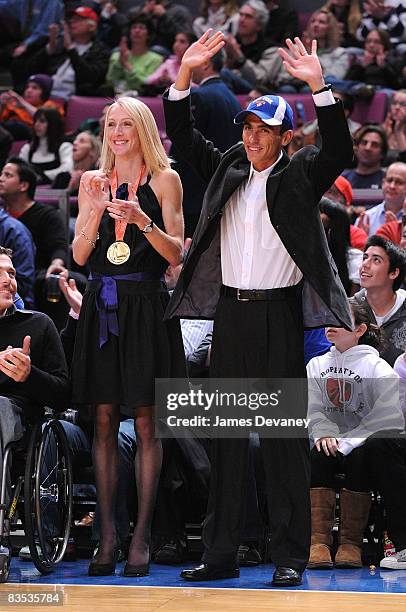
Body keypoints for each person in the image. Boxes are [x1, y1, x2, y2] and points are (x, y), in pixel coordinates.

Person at [163, 30, 353, 587]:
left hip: (277, 317)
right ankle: (221, 553)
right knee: (225, 442)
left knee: (280, 446)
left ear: (284, 138)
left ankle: (289, 556)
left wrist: (318, 86)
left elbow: (338, 150)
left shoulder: (300, 175)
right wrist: (184, 76)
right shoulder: (229, 168)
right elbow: (183, 135)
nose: (251, 137)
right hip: (232, 317)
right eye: (247, 127)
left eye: (263, 130)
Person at [72, 95, 185, 577]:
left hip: (145, 306)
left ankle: (142, 534)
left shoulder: (165, 180)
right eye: (110, 124)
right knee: (100, 421)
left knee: (145, 424)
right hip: (102, 306)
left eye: (126, 123)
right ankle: (109, 536)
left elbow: (176, 253)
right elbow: (79, 255)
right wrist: (95, 212)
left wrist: (142, 221)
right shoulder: (90, 180)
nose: (117, 132)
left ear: (143, 128)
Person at [307, 298, 403, 569]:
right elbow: (312, 406)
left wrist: (348, 442)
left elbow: (386, 416)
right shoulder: (315, 364)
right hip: (327, 442)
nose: (331, 324)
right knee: (318, 452)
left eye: (341, 317)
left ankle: (351, 543)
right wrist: (322, 431)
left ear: (360, 329)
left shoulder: (377, 367)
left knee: (363, 455)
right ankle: (319, 542)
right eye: (330, 314)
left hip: (359, 446)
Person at [0, 245, 69, 538]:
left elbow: (63, 394)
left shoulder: (38, 324)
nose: (8, 280)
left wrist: (29, 376)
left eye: (11, 273)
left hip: (16, 419)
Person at [26, 6, 111, 100]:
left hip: (73, 100)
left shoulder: (101, 51)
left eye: (78, 20)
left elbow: (90, 78)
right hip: (45, 95)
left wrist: (71, 50)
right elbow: (31, 69)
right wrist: (50, 47)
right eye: (72, 20)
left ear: (92, 26)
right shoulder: (59, 44)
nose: (72, 22)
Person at [353, 235, 406, 367]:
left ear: (393, 273)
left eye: (376, 260)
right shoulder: (349, 309)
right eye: (365, 258)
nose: (365, 264)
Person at [106, 15, 163, 95]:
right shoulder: (117, 56)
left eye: (141, 28)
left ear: (149, 34)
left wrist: (126, 65)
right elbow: (110, 81)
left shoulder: (156, 59)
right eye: (134, 27)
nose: (137, 31)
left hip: (142, 101)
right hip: (117, 98)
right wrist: (119, 62)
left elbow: (145, 86)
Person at [0, 73, 63, 141]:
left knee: (18, 126)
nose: (29, 91)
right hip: (7, 134)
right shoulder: (14, 103)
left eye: (35, 88)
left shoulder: (51, 106)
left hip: (32, 135)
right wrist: (1, 104)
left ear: (44, 93)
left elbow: (45, 118)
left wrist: (23, 103)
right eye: (27, 87)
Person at [18, 107, 73, 185]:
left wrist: (42, 175)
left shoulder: (65, 146)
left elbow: (67, 168)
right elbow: (18, 171)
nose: (36, 124)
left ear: (53, 124)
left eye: (42, 121)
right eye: (35, 121)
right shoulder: (27, 149)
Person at [356, 161, 406, 236]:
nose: (392, 186)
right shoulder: (366, 218)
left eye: (399, 182)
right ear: (383, 183)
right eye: (389, 180)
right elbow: (354, 247)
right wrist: (362, 241)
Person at [342, 124, 388, 190]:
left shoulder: (388, 181)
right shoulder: (341, 178)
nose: (367, 148)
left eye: (374, 145)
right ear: (356, 148)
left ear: (383, 153)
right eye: (364, 143)